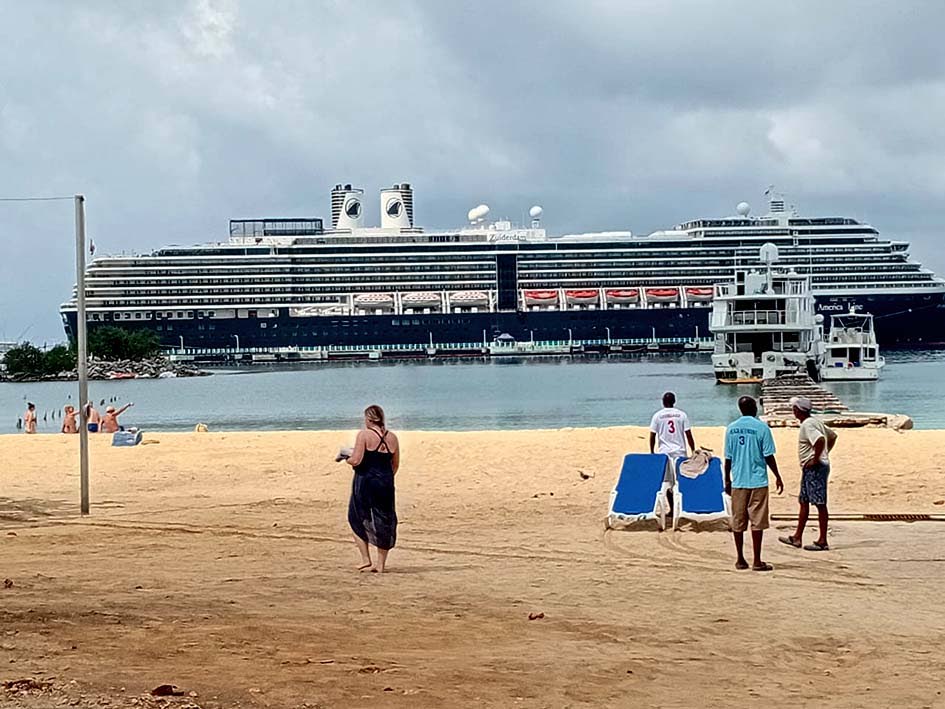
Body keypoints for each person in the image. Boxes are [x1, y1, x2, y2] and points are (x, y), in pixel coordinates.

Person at [724, 396, 784, 571]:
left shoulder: (731, 429)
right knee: (757, 521)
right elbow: (768, 456)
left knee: (738, 520)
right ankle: (757, 560)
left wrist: (727, 479)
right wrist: (777, 475)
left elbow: (728, 457)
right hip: (757, 480)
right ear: (753, 408)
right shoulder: (761, 428)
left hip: (739, 481)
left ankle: (740, 559)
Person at [343, 405, 400, 573]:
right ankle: (381, 564)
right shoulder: (393, 438)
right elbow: (395, 464)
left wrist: (346, 458)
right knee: (384, 519)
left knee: (356, 517)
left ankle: (366, 559)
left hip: (365, 482)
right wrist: (386, 478)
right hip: (386, 483)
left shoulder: (364, 435)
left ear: (368, 419)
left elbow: (357, 460)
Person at [780, 397, 838, 552]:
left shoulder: (807, 425)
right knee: (804, 500)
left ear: (798, 410)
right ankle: (797, 536)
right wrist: (825, 453)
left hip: (815, 468)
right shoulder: (814, 421)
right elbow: (832, 436)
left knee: (819, 503)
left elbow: (819, 440)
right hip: (811, 468)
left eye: (794, 408)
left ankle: (822, 540)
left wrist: (816, 458)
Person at [649, 391, 696, 512]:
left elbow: (652, 435)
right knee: (681, 481)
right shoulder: (681, 415)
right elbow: (688, 434)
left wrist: (652, 451)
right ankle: (681, 507)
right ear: (674, 402)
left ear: (663, 402)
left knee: (668, 482)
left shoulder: (657, 416)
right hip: (680, 452)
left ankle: (673, 508)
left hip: (664, 454)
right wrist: (693, 449)